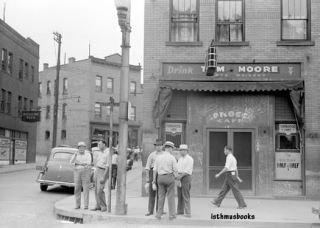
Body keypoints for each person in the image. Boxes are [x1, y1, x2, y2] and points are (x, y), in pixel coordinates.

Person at [153, 141, 178, 220]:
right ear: (169, 148)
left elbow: (155, 170)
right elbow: (175, 169)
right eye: (172, 149)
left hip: (160, 178)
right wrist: (175, 177)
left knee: (161, 197)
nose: (172, 150)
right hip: (169, 177)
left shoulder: (158, 157)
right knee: (170, 197)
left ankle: (158, 214)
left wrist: (154, 180)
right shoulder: (172, 157)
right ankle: (172, 214)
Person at [70, 141, 92, 210]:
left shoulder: (88, 154)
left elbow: (88, 163)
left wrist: (78, 163)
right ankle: (77, 204)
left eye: (83, 147)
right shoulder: (75, 154)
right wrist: (81, 163)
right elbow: (71, 162)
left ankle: (86, 205)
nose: (81, 148)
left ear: (85, 148)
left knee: (86, 188)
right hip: (77, 172)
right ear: (78, 148)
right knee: (77, 188)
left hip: (86, 172)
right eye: (80, 147)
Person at [144, 139, 163, 216]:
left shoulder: (164, 155)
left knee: (160, 193)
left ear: (162, 146)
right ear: (155, 146)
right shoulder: (152, 155)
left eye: (159, 145)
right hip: (152, 173)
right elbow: (147, 167)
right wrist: (148, 178)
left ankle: (159, 210)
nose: (158, 147)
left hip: (161, 173)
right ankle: (150, 210)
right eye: (157, 146)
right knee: (152, 193)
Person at [91, 140, 109, 212]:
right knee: (96, 190)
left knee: (100, 190)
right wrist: (94, 173)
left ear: (104, 145)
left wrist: (104, 177)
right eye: (98, 144)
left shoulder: (108, 153)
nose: (98, 146)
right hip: (97, 170)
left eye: (100, 144)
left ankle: (103, 206)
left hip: (103, 170)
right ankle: (98, 206)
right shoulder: (100, 153)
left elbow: (108, 166)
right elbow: (97, 163)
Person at [176, 144, 194, 217]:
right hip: (179, 177)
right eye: (180, 150)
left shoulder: (190, 159)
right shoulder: (180, 159)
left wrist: (180, 176)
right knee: (179, 195)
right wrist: (177, 176)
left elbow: (187, 170)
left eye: (183, 150)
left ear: (186, 151)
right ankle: (180, 211)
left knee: (185, 195)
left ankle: (188, 212)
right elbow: (178, 168)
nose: (181, 151)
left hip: (186, 177)